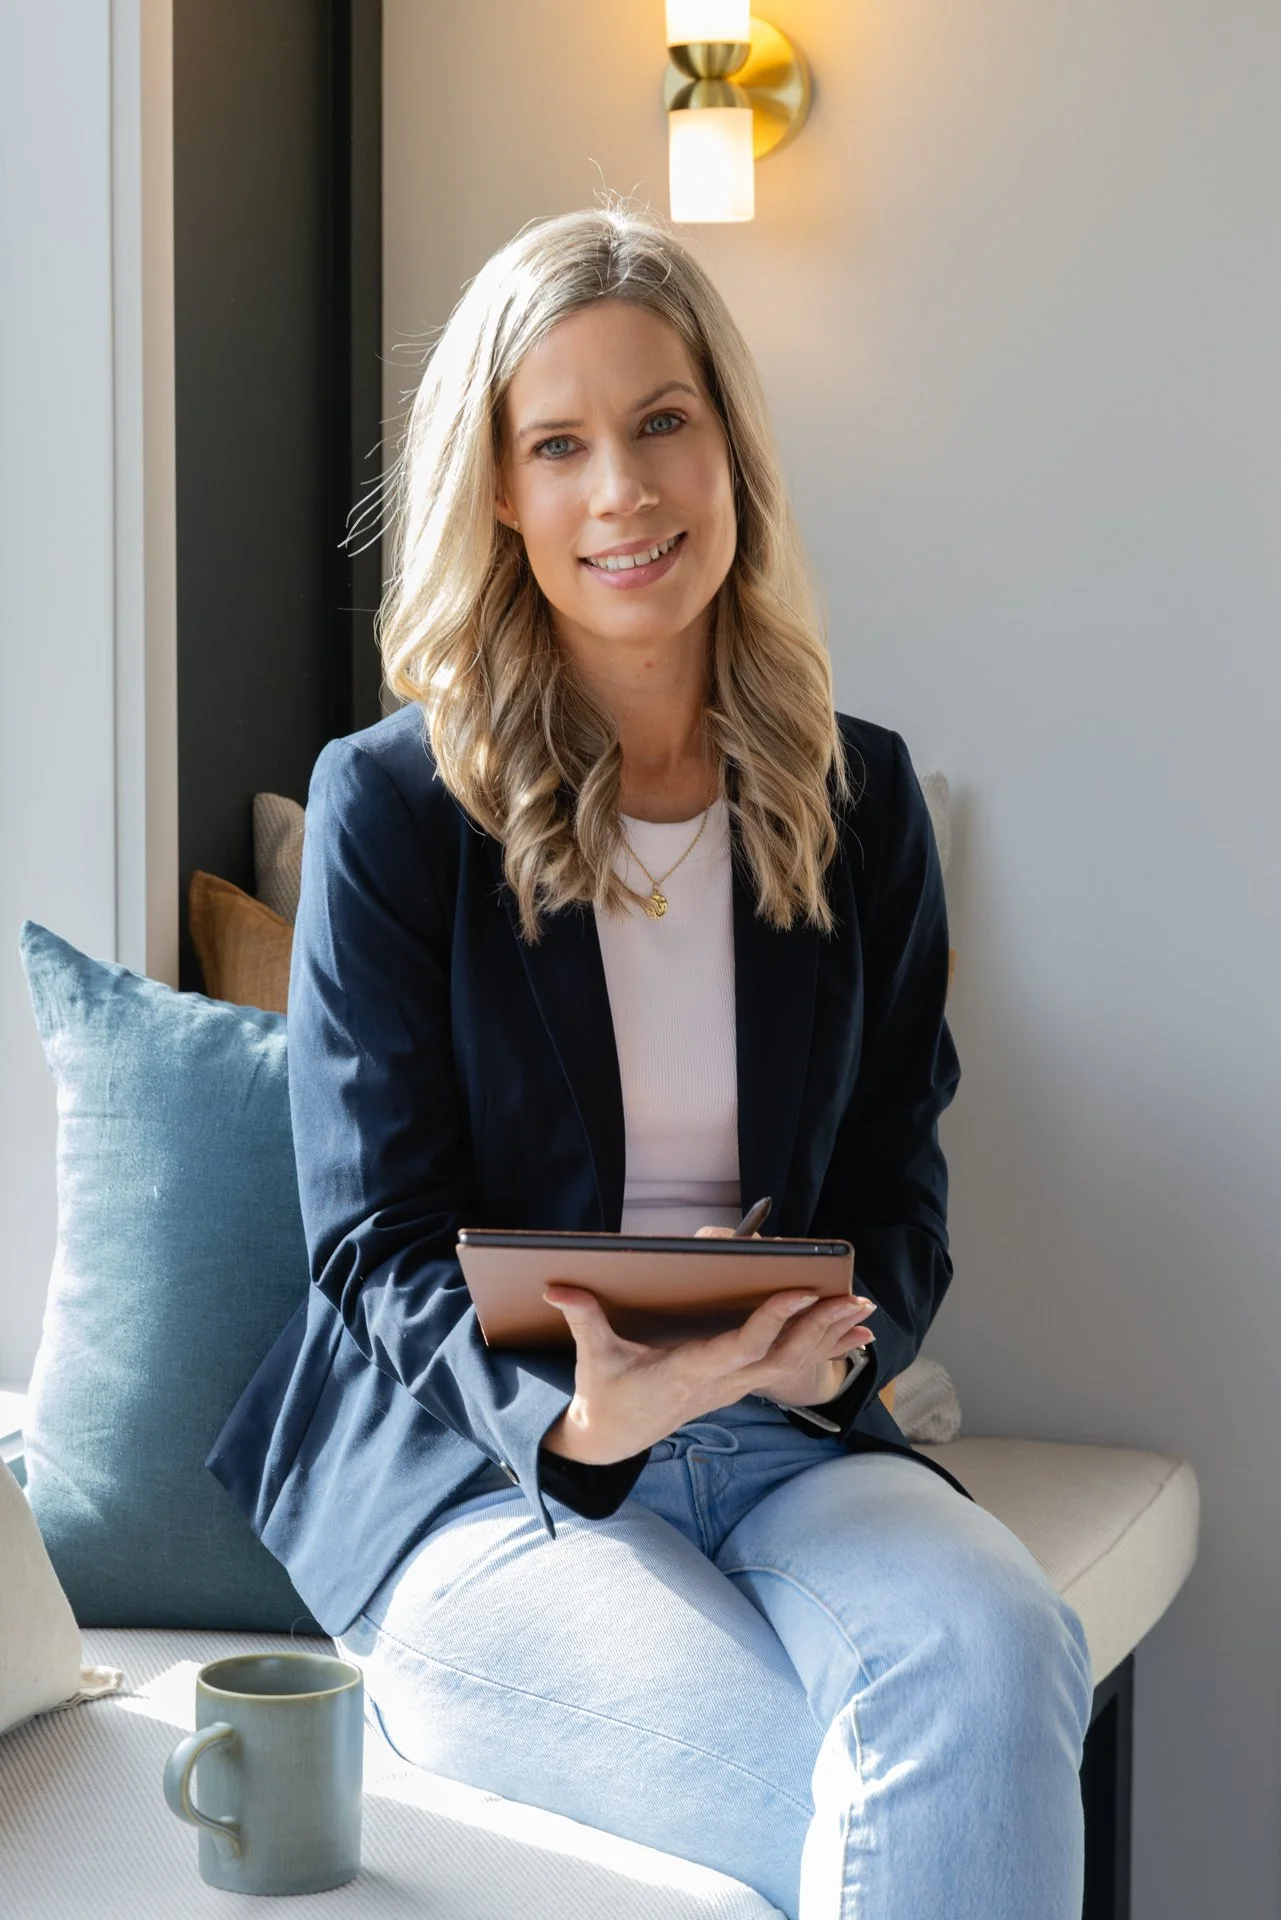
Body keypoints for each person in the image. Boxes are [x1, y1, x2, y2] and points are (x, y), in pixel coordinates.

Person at [207, 203, 1093, 1920]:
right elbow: (370, 1243)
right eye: (561, 444)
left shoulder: (858, 803)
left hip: (783, 1442)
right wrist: (578, 1410)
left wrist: (830, 1345)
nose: (622, 490)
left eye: (662, 421)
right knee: (839, 1789)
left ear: (732, 453)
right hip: (477, 1471)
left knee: (1000, 1652)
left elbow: (900, 1190)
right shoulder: (394, 808)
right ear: (504, 497)